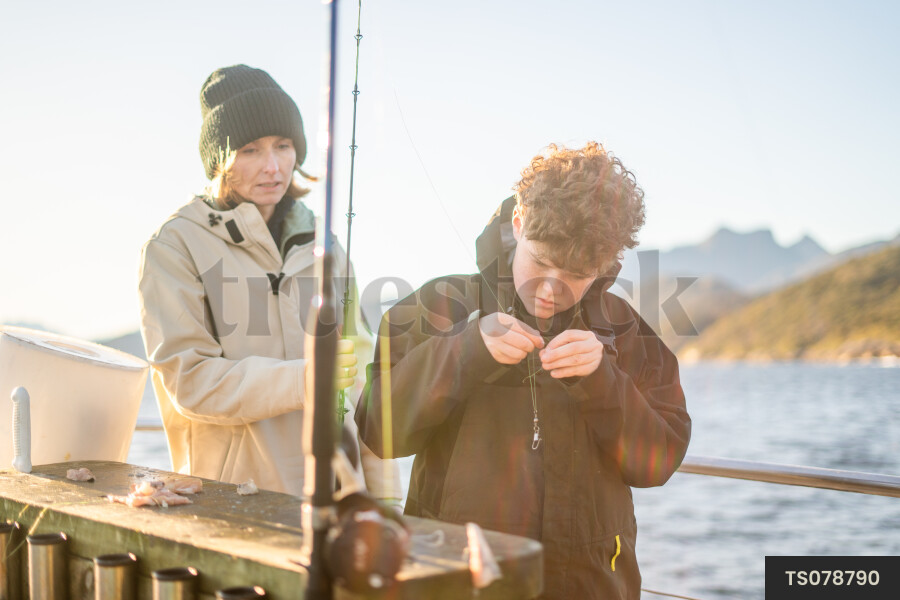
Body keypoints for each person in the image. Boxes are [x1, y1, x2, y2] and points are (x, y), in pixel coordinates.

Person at [355, 142, 691, 599]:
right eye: (541, 262)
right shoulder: (435, 307)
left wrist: (602, 381)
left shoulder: (628, 333)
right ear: (518, 225)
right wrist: (464, 352)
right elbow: (378, 429)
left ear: (606, 265)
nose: (550, 289)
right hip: (456, 583)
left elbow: (660, 460)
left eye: (575, 274)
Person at [138, 64, 401, 502]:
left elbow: (364, 382)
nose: (274, 166)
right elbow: (190, 381)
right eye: (250, 150)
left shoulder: (328, 246)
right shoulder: (174, 246)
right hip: (234, 503)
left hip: (337, 498)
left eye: (283, 146)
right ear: (219, 159)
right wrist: (304, 381)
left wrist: (387, 501)